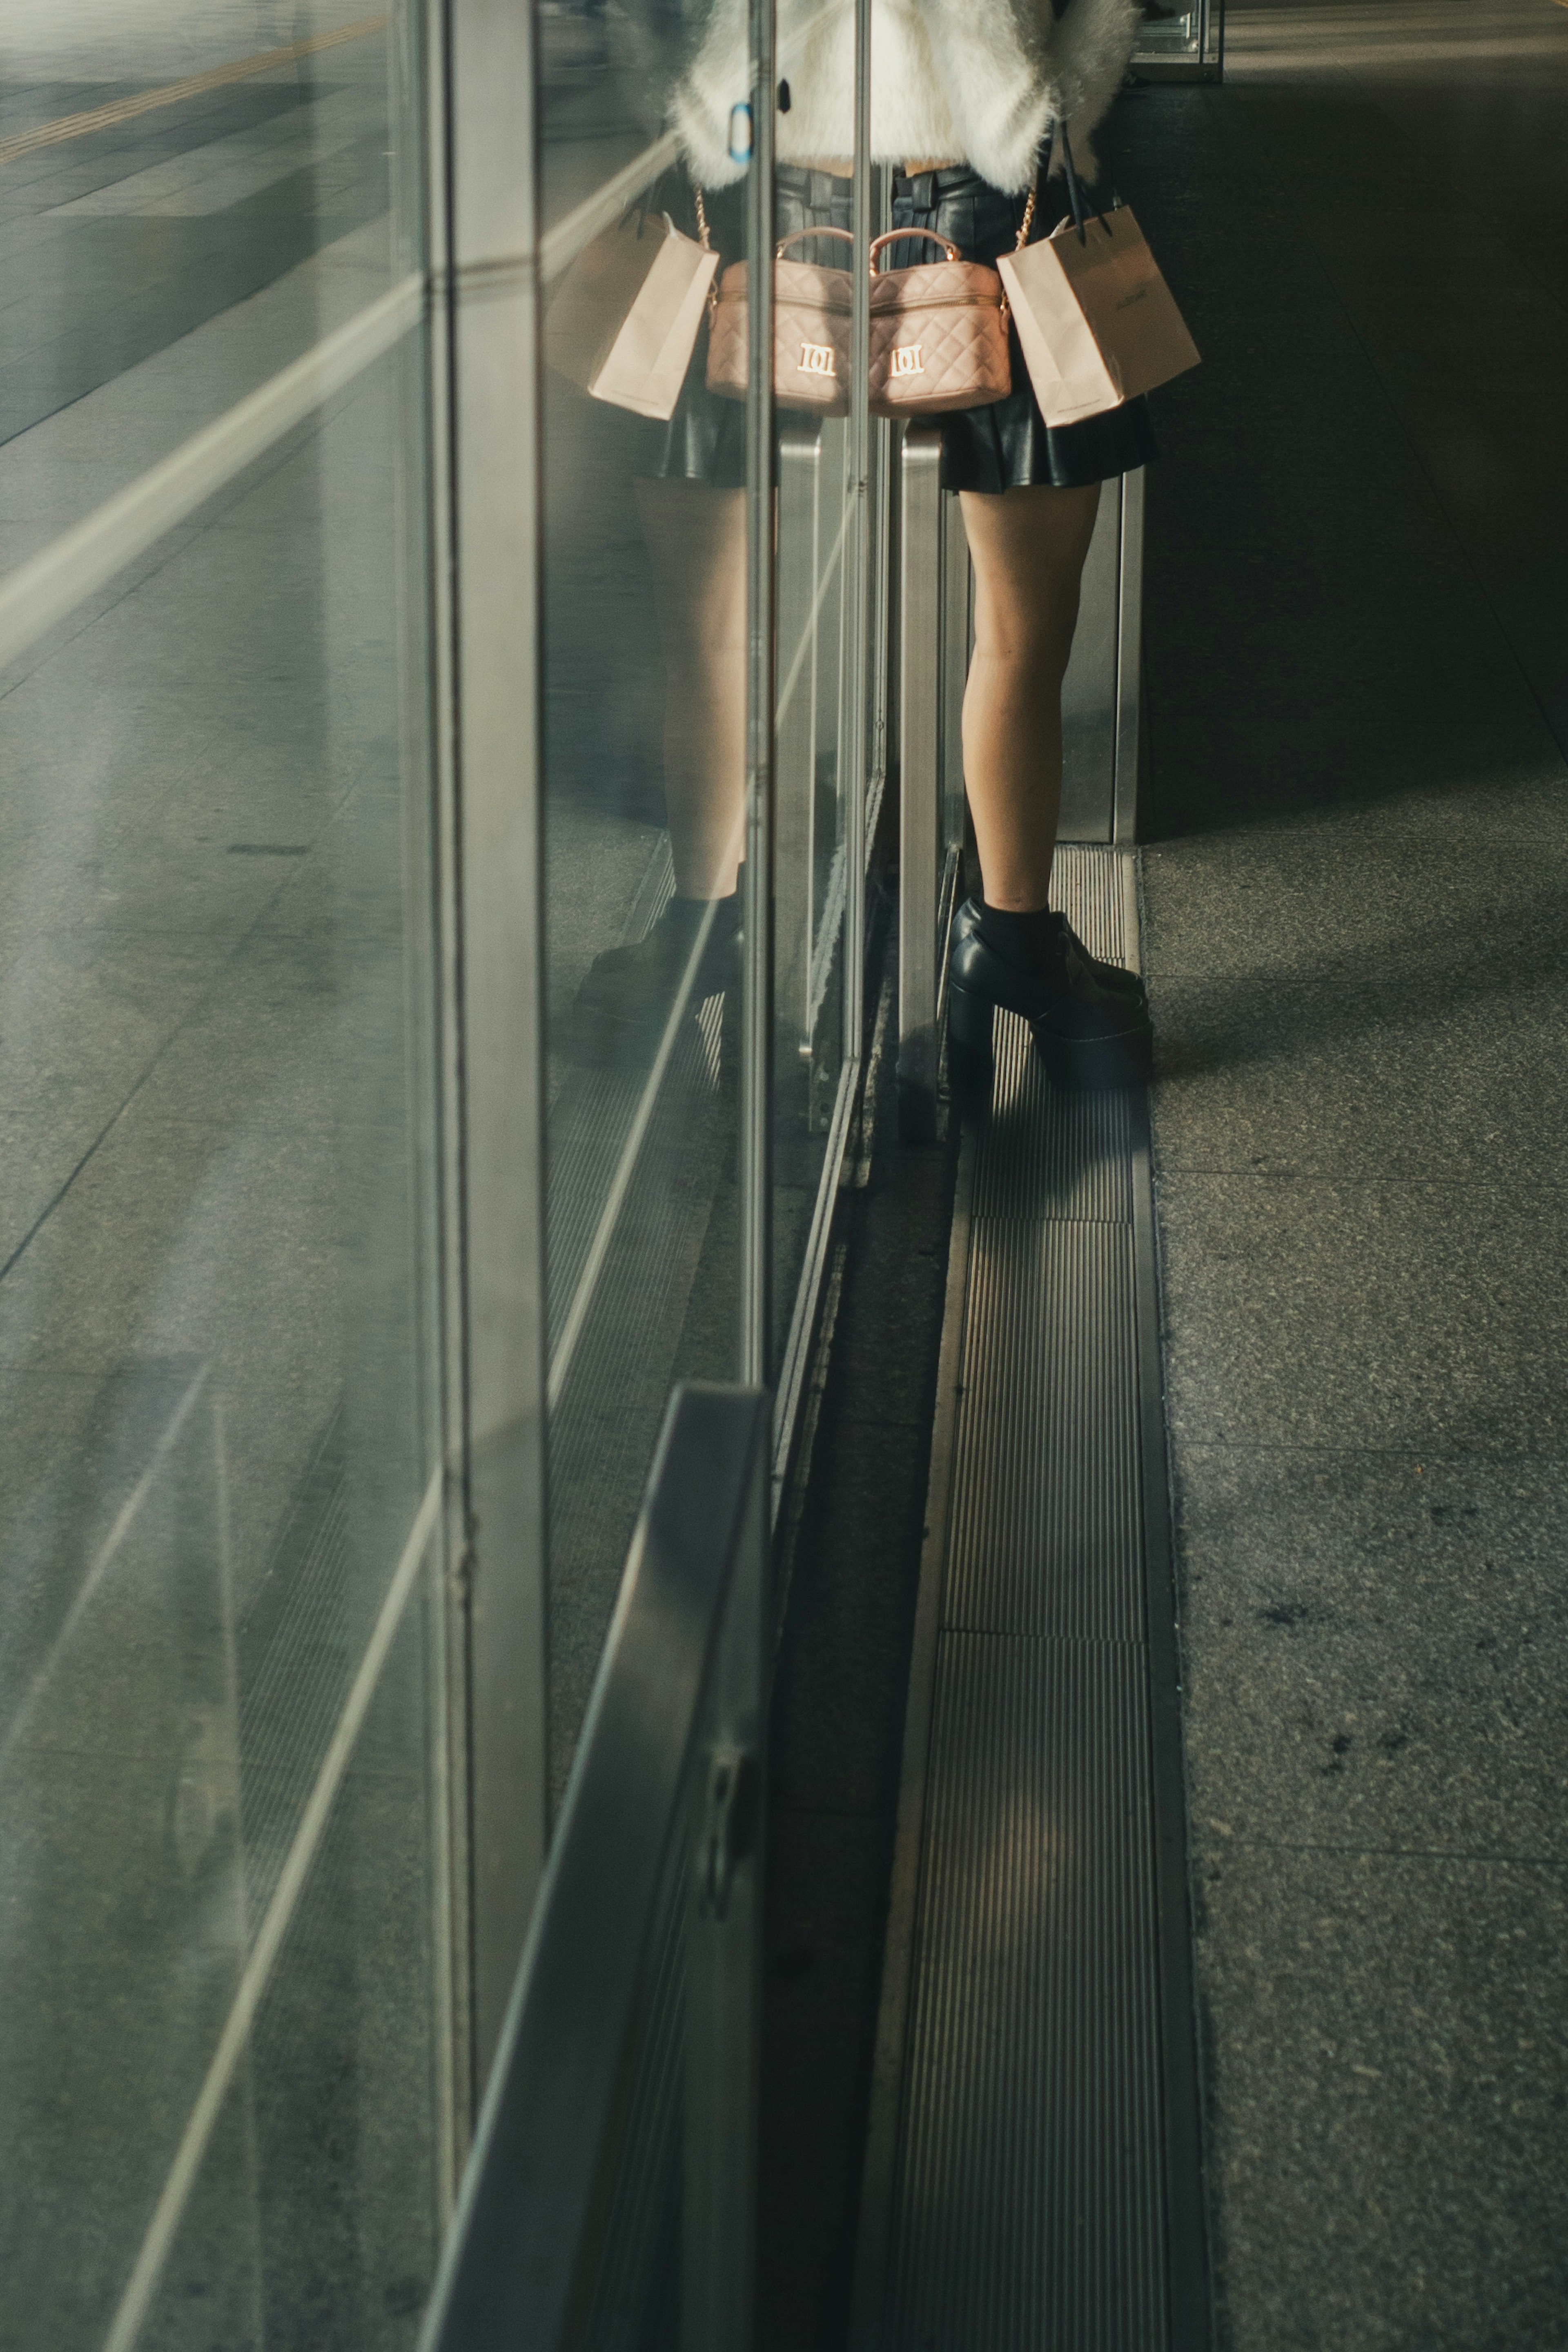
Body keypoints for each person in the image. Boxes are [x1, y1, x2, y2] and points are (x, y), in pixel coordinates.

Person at [578, 0, 1154, 1089]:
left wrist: (683, 105)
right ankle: (1012, 944)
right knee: (1022, 633)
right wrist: (1051, 120)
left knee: (703, 635)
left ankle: (708, 929)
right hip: (986, 194)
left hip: (752, 188)